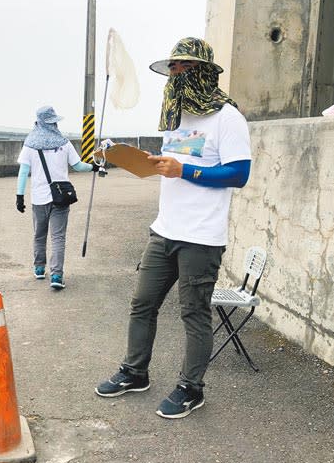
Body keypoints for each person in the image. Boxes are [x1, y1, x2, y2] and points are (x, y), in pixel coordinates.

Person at [95, 38, 252, 419]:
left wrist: (186, 170)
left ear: (202, 72)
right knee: (142, 304)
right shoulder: (175, 116)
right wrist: (148, 164)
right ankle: (135, 372)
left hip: (201, 238)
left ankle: (191, 388)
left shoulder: (228, 117)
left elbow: (239, 173)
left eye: (182, 68)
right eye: (173, 69)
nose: (175, 75)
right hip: (164, 230)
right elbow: (172, 164)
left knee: (194, 313)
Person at [15, 106, 97, 289]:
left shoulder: (30, 144)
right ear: (52, 122)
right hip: (61, 197)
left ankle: (39, 269)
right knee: (58, 237)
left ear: (38, 122)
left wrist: (19, 197)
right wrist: (94, 167)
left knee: (39, 235)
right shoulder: (64, 143)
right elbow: (78, 166)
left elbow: (23, 172)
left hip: (39, 198)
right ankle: (57, 276)